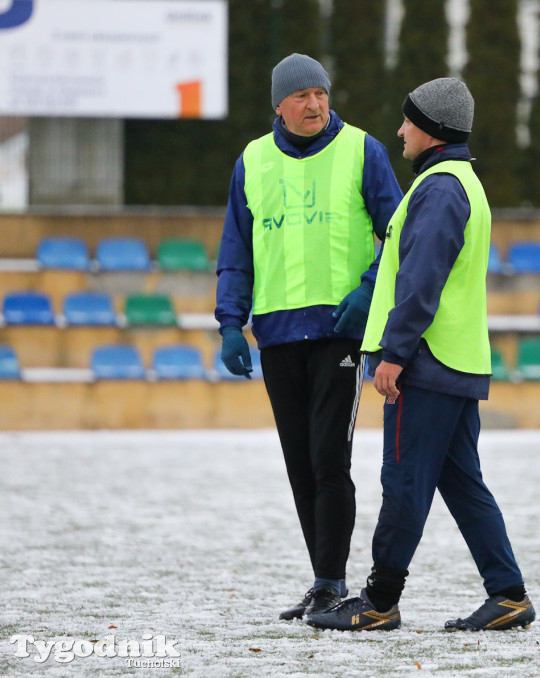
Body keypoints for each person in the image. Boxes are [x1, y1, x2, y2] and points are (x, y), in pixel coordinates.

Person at [305, 77, 535, 632]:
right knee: (462, 483)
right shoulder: (461, 181)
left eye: (408, 121)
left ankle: (379, 602)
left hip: (427, 363)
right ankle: (508, 594)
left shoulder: (438, 189)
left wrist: (394, 353)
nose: (400, 130)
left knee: (404, 481)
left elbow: (420, 281)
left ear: (430, 129)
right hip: (456, 360)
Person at [215, 53, 403, 620]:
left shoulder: (363, 150)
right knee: (300, 461)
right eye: (302, 96)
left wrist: (368, 294)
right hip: (276, 336)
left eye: (321, 93)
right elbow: (236, 249)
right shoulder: (252, 160)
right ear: (279, 103)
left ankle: (331, 580)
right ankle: (322, 582)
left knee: (328, 458)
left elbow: (396, 234)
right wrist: (230, 322)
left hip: (338, 336)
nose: (315, 105)